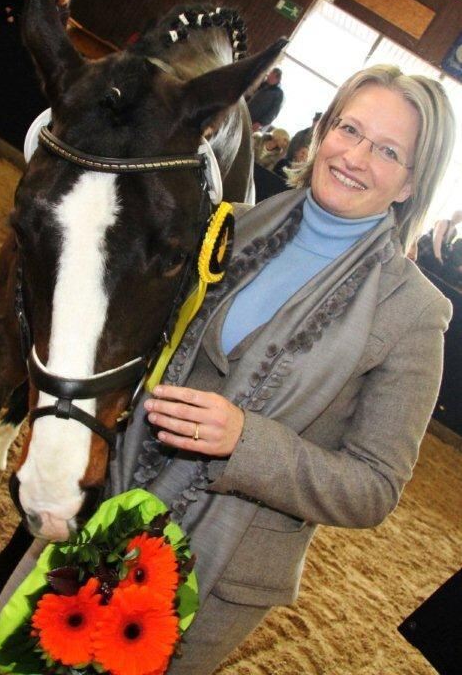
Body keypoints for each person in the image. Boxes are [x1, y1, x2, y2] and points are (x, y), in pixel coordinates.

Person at [107, 64, 455, 673]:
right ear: (324, 131)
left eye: (388, 151)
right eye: (350, 129)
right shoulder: (232, 225)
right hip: (114, 496)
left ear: (408, 184)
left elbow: (374, 487)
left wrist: (248, 444)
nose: (355, 156)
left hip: (217, 574)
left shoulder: (414, 313)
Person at [246, 66, 284, 131]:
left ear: (277, 79)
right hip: (246, 113)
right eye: (269, 74)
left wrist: (260, 123)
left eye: (271, 76)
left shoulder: (279, 94)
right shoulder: (263, 85)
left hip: (254, 123)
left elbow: (274, 112)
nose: (268, 77)